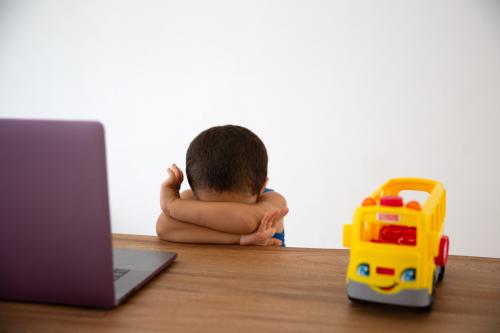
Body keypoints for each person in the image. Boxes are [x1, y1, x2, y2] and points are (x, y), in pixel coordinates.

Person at [156, 125, 288, 246]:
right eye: (211, 206)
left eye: (237, 207)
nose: (222, 217)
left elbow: (247, 221)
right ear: (193, 189)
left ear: (262, 187)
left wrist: (171, 205)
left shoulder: (274, 201)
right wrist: (238, 239)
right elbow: (163, 227)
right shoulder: (189, 198)